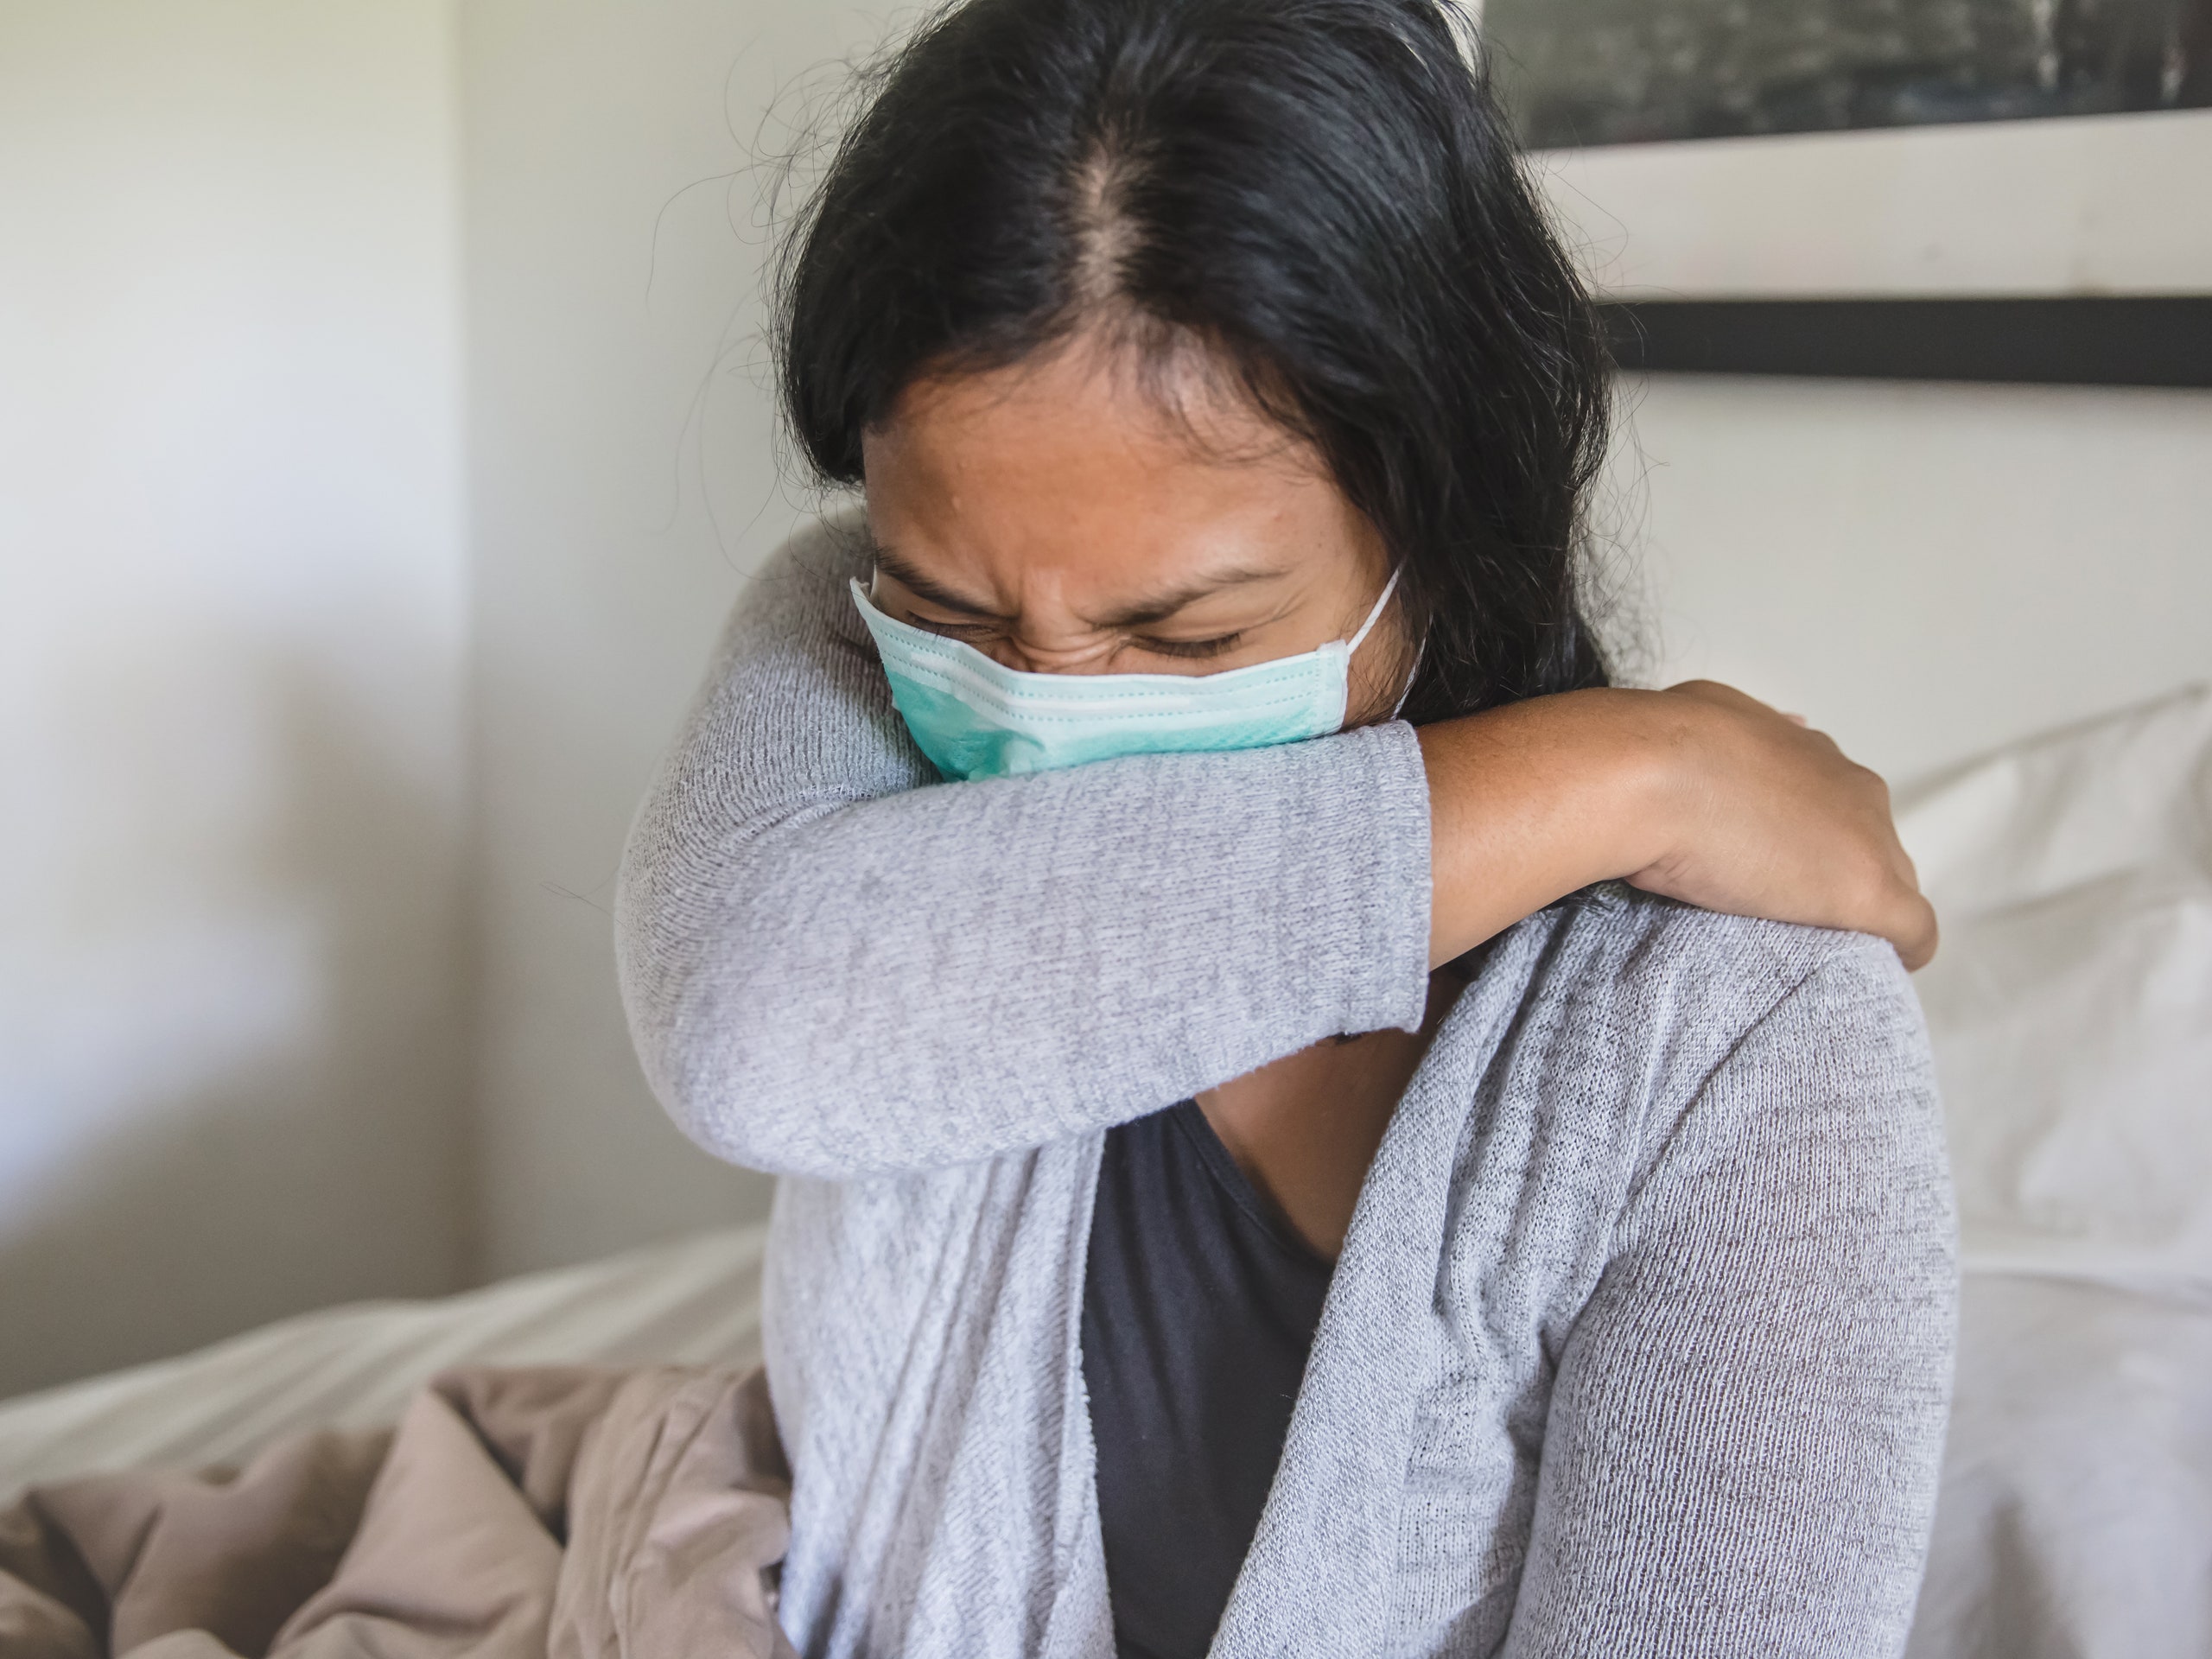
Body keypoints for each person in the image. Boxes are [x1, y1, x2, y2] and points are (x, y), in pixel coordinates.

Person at [615, 1, 1955, 1654]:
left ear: (1449, 536)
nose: (1046, 704)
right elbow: (749, 1025)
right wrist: (1634, 772)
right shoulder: (849, 635)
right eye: (961, 609)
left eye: (1184, 639)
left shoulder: (1733, 1045)